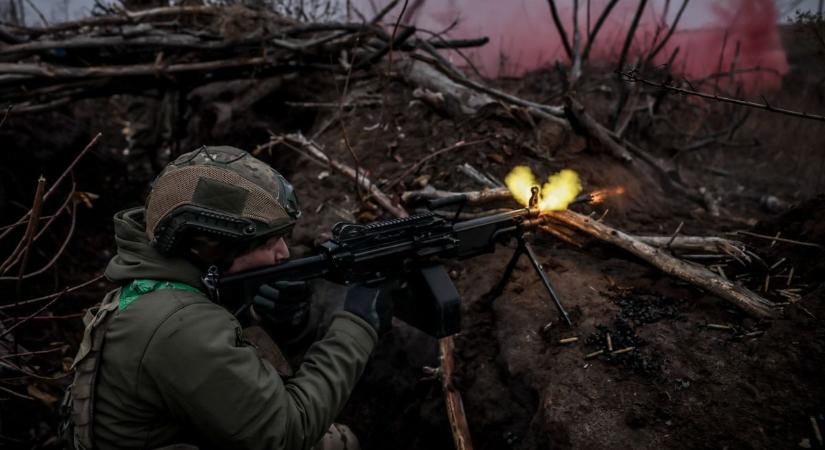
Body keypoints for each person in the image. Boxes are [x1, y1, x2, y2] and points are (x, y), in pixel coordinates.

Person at [65, 146, 391, 450]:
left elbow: (223, 365)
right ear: (210, 247)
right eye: (266, 243)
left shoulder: (154, 288)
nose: (284, 252)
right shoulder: (180, 325)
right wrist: (357, 325)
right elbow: (288, 431)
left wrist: (280, 326)